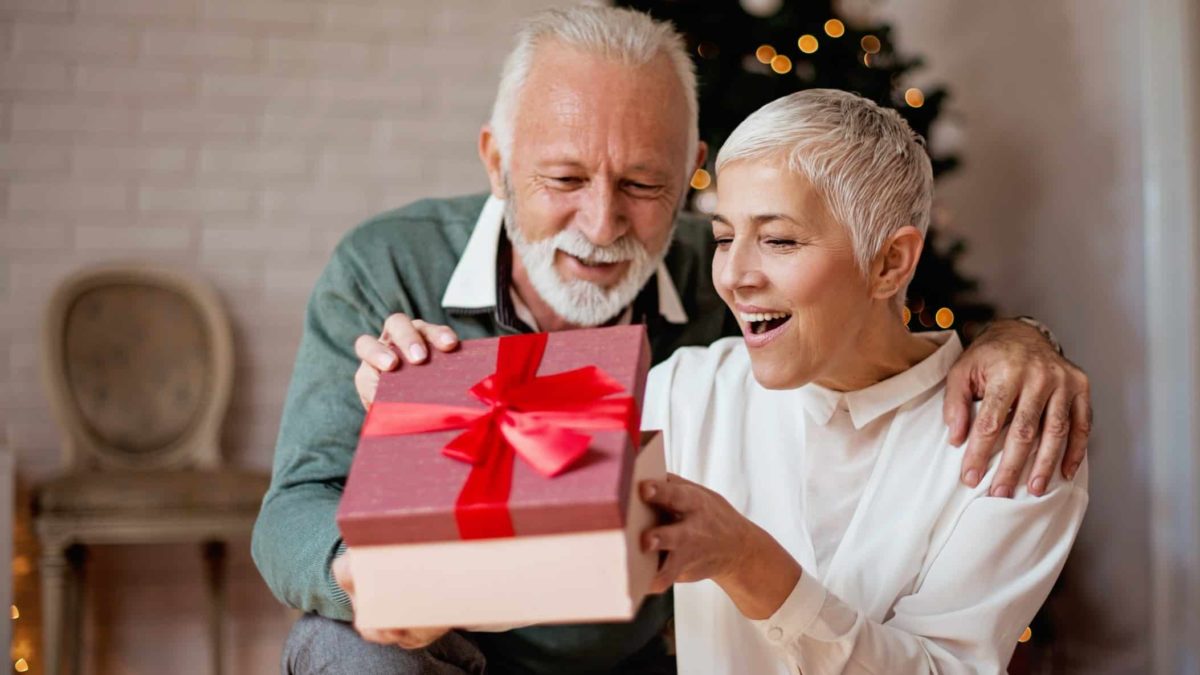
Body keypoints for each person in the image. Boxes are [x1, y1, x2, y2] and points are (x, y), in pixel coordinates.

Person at [253, 6, 1091, 674]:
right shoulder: (692, 377)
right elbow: (532, 473)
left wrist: (1020, 338)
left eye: (644, 185)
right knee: (343, 649)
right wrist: (423, 411)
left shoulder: (714, 285)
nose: (603, 221)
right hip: (459, 651)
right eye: (564, 178)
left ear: (685, 174)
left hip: (633, 651)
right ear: (497, 162)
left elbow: (874, 315)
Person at [636, 89, 1088, 674]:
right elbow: (523, 551)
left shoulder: (1016, 437)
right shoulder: (688, 393)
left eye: (778, 239)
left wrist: (746, 560)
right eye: (725, 237)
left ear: (889, 263)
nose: (735, 276)